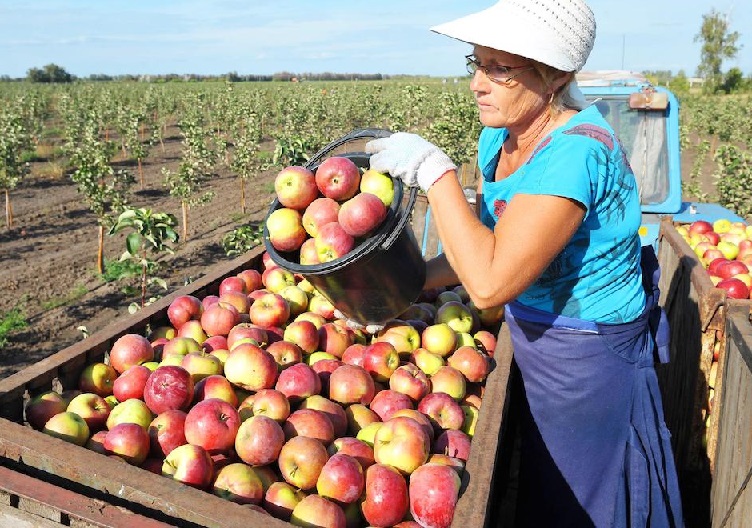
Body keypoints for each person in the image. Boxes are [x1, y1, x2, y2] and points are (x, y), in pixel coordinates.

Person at [364, 0, 684, 526]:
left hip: (590, 356)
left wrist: (436, 174)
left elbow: (488, 284)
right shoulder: (501, 136)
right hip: (535, 337)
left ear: (555, 75)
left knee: (586, 501)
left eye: (501, 69)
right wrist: (408, 285)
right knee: (544, 480)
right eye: (477, 64)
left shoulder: (576, 154)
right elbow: (487, 242)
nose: (478, 83)